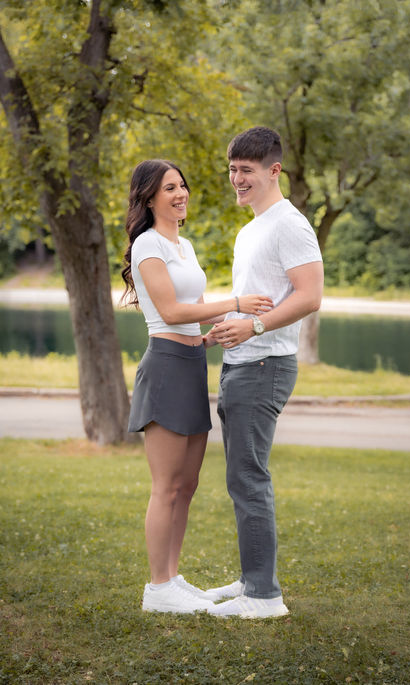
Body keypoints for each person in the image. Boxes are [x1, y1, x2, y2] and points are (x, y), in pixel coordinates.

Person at [121, 159, 273, 615]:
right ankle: (157, 588)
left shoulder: (183, 246)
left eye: (182, 185)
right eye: (169, 188)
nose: (180, 193)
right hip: (166, 367)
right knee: (166, 486)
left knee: (187, 484)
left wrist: (231, 321)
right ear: (149, 197)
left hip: (191, 363)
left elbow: (196, 307)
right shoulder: (148, 244)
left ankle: (172, 578)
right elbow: (170, 311)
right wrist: (238, 300)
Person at [205, 127, 324, 618]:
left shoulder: (289, 225)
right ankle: (251, 579)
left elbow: (310, 296)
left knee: (249, 478)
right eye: (233, 169)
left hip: (264, 365)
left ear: (274, 170)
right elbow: (259, 299)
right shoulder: (251, 228)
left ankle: (263, 598)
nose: (237, 179)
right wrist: (226, 326)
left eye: (247, 170)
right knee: (241, 478)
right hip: (242, 362)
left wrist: (252, 327)